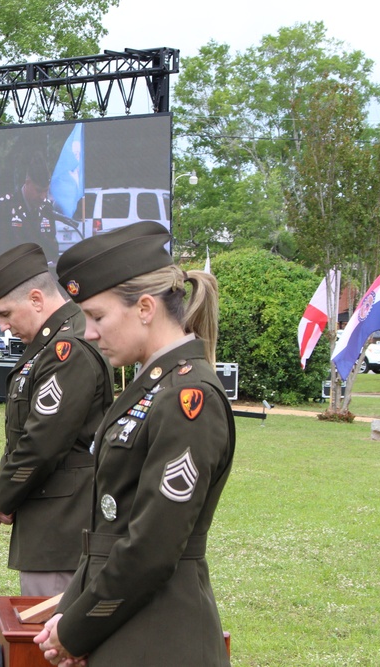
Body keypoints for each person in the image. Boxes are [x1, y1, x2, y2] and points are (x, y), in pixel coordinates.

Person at [35, 221, 235, 667]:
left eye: (98, 316)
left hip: (159, 636)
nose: (88, 332)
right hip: (128, 625)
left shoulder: (189, 398)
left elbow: (151, 547)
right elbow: (110, 533)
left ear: (145, 308)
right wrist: (70, 609)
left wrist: (77, 628)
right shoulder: (151, 387)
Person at [0, 243, 113, 597]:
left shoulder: (68, 349)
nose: (3, 326)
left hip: (63, 522)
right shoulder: (49, 346)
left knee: (49, 636)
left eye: (5, 314)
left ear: (36, 299)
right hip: (49, 514)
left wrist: (3, 495)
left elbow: (42, 442)